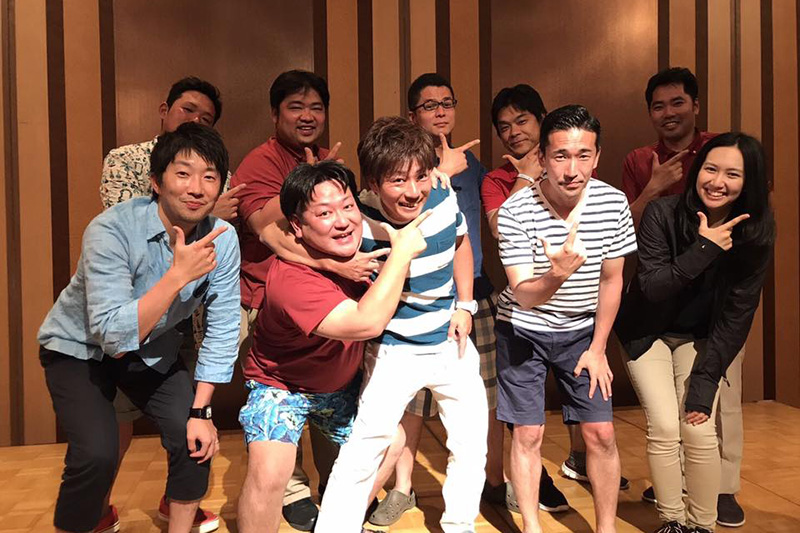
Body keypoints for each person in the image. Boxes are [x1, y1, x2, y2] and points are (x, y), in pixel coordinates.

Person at [39, 122, 240, 533]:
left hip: (152, 348)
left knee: (194, 437)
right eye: (182, 174)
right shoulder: (110, 229)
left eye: (209, 177)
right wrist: (176, 277)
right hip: (79, 349)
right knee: (96, 453)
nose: (196, 188)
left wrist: (201, 411)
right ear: (156, 181)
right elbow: (113, 335)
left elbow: (223, 326)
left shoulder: (222, 238)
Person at [236, 161, 430, 533]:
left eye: (347, 206)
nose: (342, 221)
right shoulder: (292, 279)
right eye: (324, 213)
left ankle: (338, 523)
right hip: (282, 386)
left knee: (391, 441)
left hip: (338, 386)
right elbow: (364, 323)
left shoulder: (365, 244)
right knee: (269, 473)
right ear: (298, 226)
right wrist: (402, 255)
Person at [366, 72, 519, 526]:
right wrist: (437, 172)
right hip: (408, 306)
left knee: (482, 402)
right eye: (429, 105)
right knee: (408, 407)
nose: (440, 111)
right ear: (412, 114)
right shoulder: (396, 170)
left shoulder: (472, 165)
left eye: (447, 103)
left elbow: (470, 234)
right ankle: (403, 488)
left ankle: (493, 481)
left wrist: (467, 302)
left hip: (470, 296)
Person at [614, 132, 774, 533]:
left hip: (701, 337)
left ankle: (702, 525)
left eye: (732, 174)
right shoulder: (662, 213)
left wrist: (705, 382)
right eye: (710, 169)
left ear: (749, 181)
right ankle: (672, 521)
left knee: (698, 427)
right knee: (666, 427)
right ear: (697, 170)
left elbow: (737, 315)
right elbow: (652, 287)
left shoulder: (756, 233)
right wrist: (704, 248)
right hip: (647, 332)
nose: (717, 181)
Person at [97, 76, 233, 533]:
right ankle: (97, 506)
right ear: (164, 109)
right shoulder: (126, 160)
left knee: (186, 420)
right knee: (113, 425)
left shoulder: (214, 172)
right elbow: (125, 217)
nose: (196, 120)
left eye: (207, 118)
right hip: (127, 310)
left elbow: (222, 228)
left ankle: (178, 503)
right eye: (188, 110)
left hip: (183, 319)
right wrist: (203, 211)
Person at [496, 105, 637, 533]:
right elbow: (524, 295)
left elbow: (612, 280)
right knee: (528, 434)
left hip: (582, 332)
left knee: (601, 433)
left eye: (582, 155)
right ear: (542, 157)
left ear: (597, 157)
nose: (571, 169)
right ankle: (532, 527)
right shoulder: (515, 211)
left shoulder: (613, 202)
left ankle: (606, 528)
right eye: (560, 156)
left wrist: (598, 348)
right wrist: (557, 274)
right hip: (523, 329)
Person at [230, 69, 359, 531]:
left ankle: (334, 491)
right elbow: (266, 229)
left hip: (325, 303)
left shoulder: (326, 160)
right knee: (281, 395)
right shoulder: (260, 162)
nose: (307, 116)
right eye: (295, 107)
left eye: (316, 107)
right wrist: (302, 181)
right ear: (275, 113)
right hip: (266, 300)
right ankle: (293, 489)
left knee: (331, 394)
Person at [623, 68, 745, 527]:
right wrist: (654, 187)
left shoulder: (721, 149)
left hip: (711, 306)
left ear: (695, 105)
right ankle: (673, 496)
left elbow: (747, 208)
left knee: (713, 404)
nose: (668, 112)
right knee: (667, 422)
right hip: (659, 300)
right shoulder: (640, 160)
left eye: (678, 102)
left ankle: (722, 489)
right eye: (658, 106)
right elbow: (625, 228)